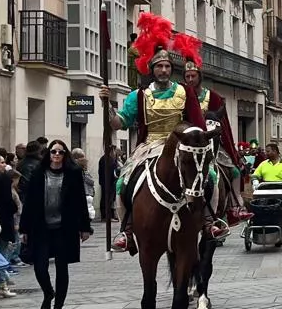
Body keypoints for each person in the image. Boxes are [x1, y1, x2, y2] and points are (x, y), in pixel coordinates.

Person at [103, 13, 208, 253]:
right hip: (149, 145)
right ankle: (127, 229)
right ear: (152, 69)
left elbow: (198, 123)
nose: (163, 69)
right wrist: (108, 106)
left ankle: (210, 219)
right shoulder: (138, 95)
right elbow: (119, 124)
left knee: (208, 175)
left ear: (172, 69)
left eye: (167, 66)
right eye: (159, 66)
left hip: (181, 144)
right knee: (123, 181)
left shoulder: (184, 92)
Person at [19, 140, 92, 309]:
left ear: (65, 154)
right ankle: (48, 292)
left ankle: (58, 308)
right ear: (48, 154)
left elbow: (80, 201)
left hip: (64, 227)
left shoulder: (73, 173)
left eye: (60, 152)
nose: (57, 155)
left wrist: (84, 227)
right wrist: (24, 229)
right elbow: (29, 203)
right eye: (53, 152)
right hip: (41, 226)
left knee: (62, 268)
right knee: (40, 267)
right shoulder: (38, 173)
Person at [181, 60, 248, 236]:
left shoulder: (213, 97)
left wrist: (231, 150)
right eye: (187, 76)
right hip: (190, 144)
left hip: (213, 144)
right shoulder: (181, 96)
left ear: (199, 77)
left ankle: (235, 206)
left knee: (233, 171)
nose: (190, 79)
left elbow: (224, 127)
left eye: (193, 76)